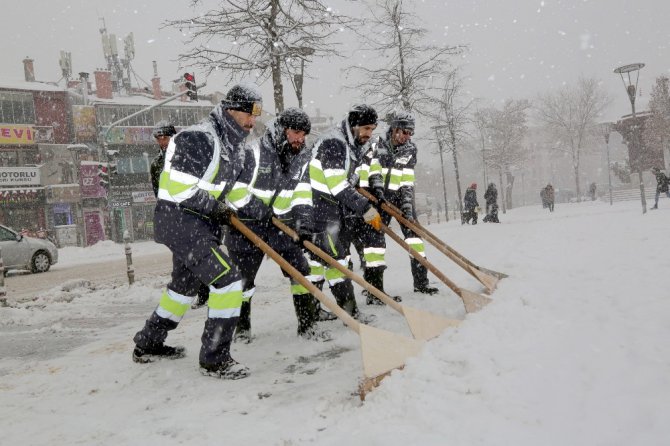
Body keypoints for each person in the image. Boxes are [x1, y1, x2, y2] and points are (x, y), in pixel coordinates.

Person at [132, 82, 266, 380]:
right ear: (231, 110)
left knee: (183, 289)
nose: (252, 120)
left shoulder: (240, 151)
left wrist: (263, 213)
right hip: (179, 220)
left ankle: (149, 342)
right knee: (229, 282)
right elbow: (179, 189)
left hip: (202, 224)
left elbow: (238, 198)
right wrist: (215, 207)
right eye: (249, 113)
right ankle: (215, 358)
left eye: (257, 114)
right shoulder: (198, 139)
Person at [224, 107, 331, 342]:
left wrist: (303, 224)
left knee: (302, 272)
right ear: (282, 130)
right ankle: (241, 330)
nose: (300, 139)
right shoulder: (253, 152)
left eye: (304, 134)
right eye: (295, 133)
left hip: (280, 226)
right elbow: (233, 191)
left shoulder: (302, 157)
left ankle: (307, 325)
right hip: (246, 227)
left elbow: (302, 193)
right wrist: (258, 210)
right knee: (243, 281)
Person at [308, 104, 383, 322]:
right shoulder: (334, 142)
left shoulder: (352, 144)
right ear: (354, 125)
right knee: (337, 259)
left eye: (372, 129)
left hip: (329, 206)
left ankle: (311, 311)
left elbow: (348, 179)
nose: (369, 134)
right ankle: (350, 312)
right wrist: (364, 207)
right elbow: (337, 185)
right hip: (318, 207)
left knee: (319, 261)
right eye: (366, 128)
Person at [363, 110, 438, 302]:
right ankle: (374, 290)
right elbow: (373, 171)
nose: (407, 137)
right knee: (375, 244)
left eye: (410, 133)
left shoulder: (410, 150)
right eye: (404, 132)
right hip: (376, 198)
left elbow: (407, 179)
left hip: (398, 198)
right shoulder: (376, 145)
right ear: (394, 129)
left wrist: (406, 205)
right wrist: (378, 195)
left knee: (415, 238)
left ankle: (421, 283)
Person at [151, 122, 210, 310]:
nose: (162, 142)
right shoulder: (157, 164)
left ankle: (205, 291)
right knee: (182, 259)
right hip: (173, 217)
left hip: (193, 214)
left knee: (200, 255)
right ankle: (187, 294)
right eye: (159, 139)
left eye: (165, 138)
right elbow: (157, 191)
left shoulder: (187, 156)